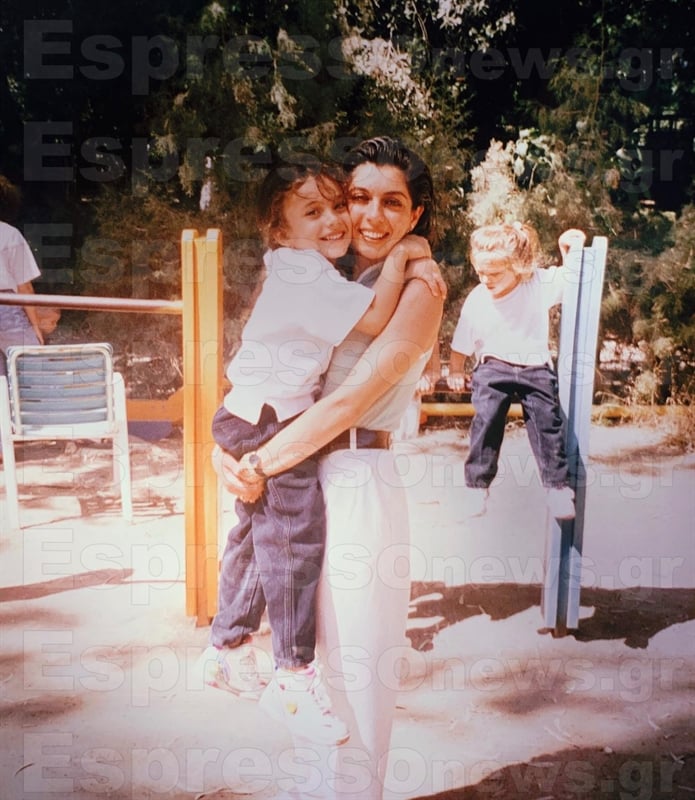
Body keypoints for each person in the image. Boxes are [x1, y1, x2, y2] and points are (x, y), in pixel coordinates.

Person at [212, 136, 444, 799]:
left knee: (357, 681)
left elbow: (348, 403)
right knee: (311, 683)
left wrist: (258, 462)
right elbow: (260, 376)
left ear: (415, 215)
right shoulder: (317, 276)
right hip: (297, 474)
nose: (366, 216)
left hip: (356, 479)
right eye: (357, 198)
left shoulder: (419, 288)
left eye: (392, 203)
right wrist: (224, 454)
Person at [446, 222, 586, 519]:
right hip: (494, 363)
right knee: (487, 417)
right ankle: (477, 485)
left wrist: (567, 249)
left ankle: (557, 486)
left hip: (534, 365)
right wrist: (456, 370)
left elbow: (569, 279)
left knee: (547, 422)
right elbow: (461, 343)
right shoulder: (478, 298)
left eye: (494, 273)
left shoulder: (535, 284)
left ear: (519, 267)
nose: (486, 279)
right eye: (480, 272)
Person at [0, 177, 44, 377]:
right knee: (32, 372)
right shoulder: (10, 235)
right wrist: (35, 326)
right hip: (6, 308)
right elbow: (24, 286)